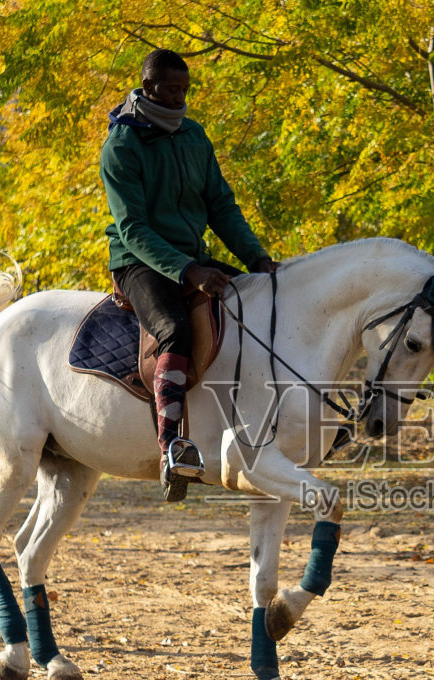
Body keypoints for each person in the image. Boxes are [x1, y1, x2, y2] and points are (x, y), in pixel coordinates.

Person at [100, 48, 279, 499]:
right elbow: (133, 227)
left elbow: (221, 206)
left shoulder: (195, 136)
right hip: (138, 262)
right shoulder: (122, 145)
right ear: (148, 87)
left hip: (190, 259)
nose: (179, 98)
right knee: (176, 331)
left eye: (185, 89)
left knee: (257, 303)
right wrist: (188, 271)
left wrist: (257, 259)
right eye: (170, 89)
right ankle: (172, 449)